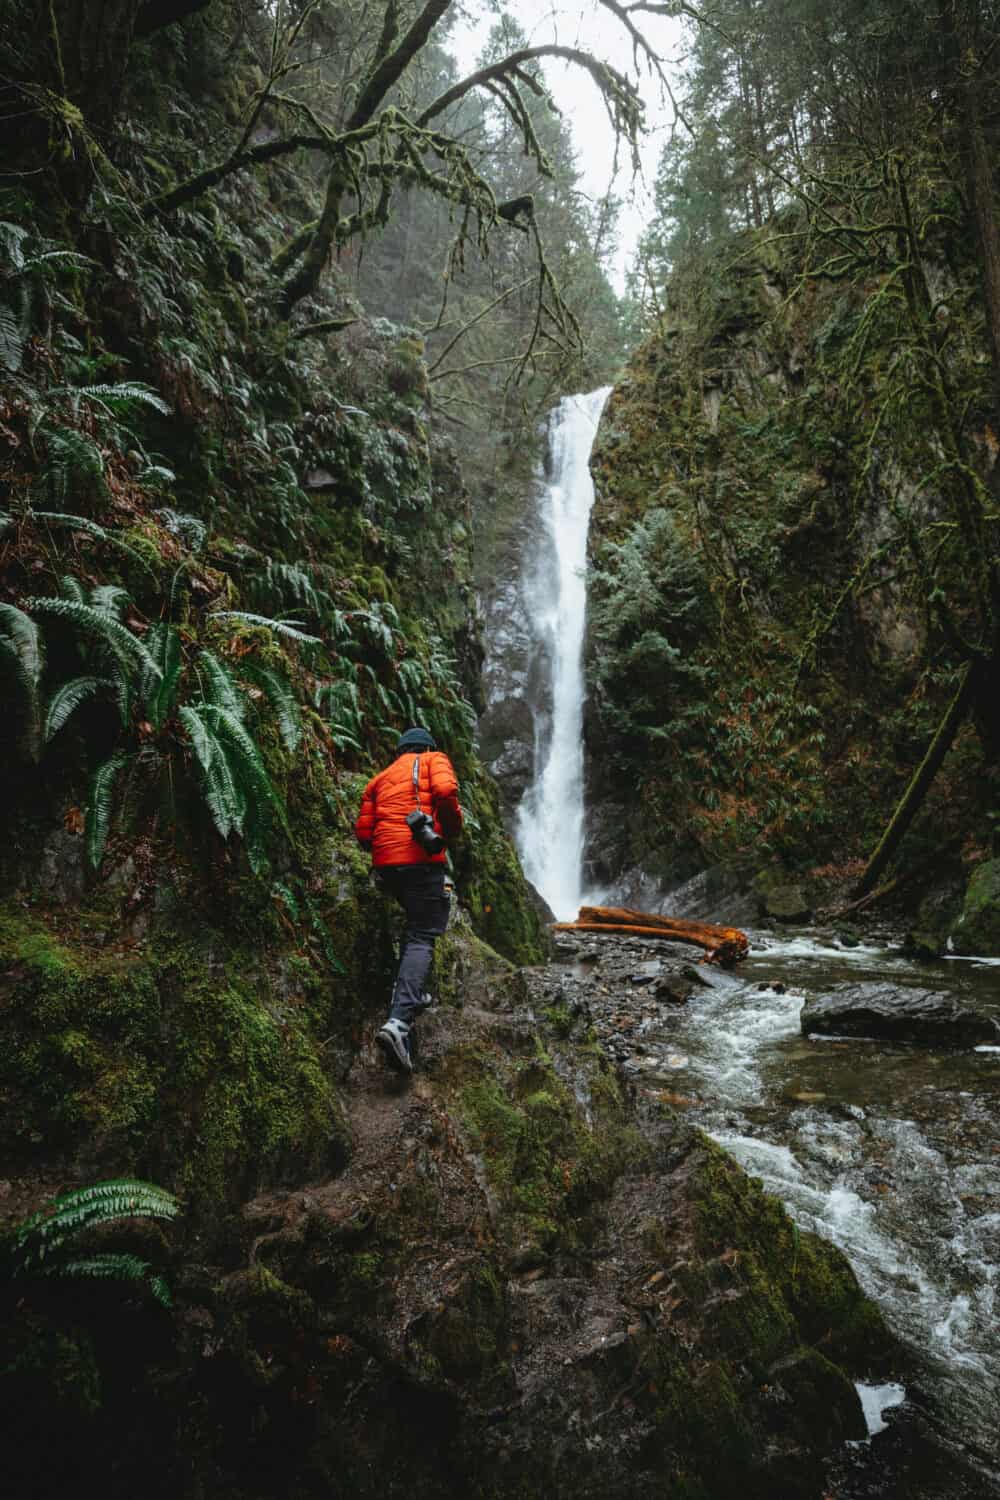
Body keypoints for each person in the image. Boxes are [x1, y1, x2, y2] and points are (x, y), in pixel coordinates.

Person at [354, 726, 463, 1073]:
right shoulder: (434, 760)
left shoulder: (379, 779)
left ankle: (410, 992)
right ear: (427, 747)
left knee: (413, 926)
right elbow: (445, 792)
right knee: (422, 933)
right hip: (420, 860)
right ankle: (399, 1022)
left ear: (400, 751)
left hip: (387, 866)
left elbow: (362, 832)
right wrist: (449, 830)